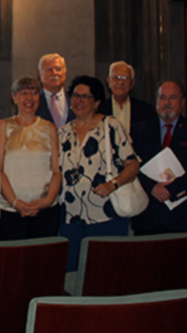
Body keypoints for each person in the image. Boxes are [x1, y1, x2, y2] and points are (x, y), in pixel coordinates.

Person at [58, 75, 140, 271]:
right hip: (71, 217)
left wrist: (113, 184)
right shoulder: (62, 132)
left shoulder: (111, 126)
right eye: (75, 96)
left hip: (106, 215)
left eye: (85, 97)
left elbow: (133, 165)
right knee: (71, 273)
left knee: (104, 272)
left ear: (96, 102)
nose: (79, 101)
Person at [132, 81, 187, 260]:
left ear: (182, 102)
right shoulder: (138, 131)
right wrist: (152, 187)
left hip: (183, 219)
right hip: (147, 218)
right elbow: (130, 168)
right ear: (156, 102)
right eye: (162, 97)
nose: (167, 102)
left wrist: (171, 190)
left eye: (173, 97)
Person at [0, 77, 62, 241]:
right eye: (24, 93)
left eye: (34, 93)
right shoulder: (4, 126)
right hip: (10, 211)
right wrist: (15, 202)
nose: (29, 98)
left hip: (45, 212)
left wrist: (47, 201)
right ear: (14, 97)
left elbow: (56, 171)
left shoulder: (49, 127)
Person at [97, 61, 156, 133]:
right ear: (109, 81)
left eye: (125, 78)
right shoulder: (98, 109)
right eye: (117, 77)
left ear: (132, 83)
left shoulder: (145, 110)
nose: (121, 82)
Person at [35, 53, 74, 129]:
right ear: (40, 74)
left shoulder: (75, 100)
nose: (54, 73)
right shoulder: (33, 103)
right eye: (49, 70)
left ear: (65, 73)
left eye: (58, 69)